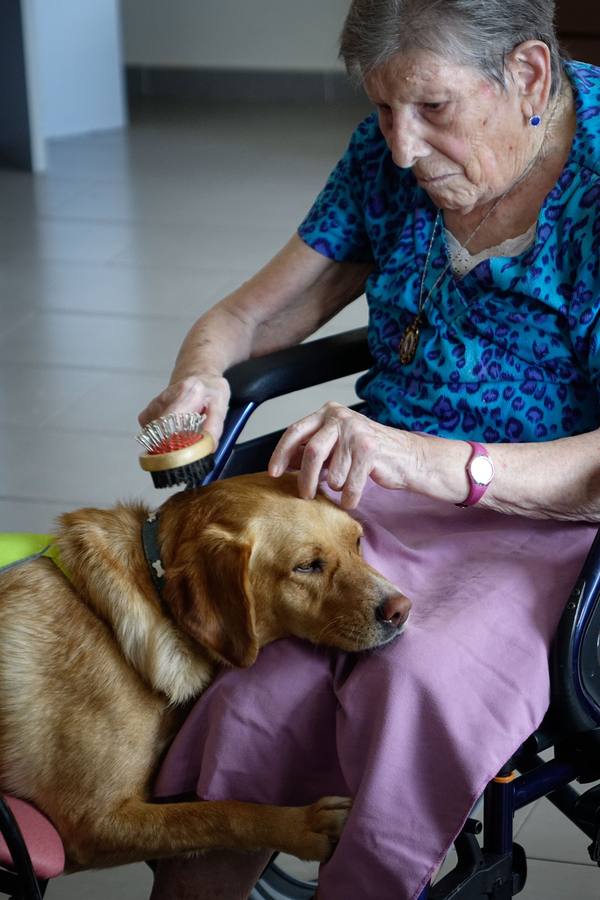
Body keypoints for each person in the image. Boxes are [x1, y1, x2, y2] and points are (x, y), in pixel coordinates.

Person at [138, 1, 600, 897]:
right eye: (382, 108)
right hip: (371, 489)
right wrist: (202, 376)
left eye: (431, 109)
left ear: (531, 76)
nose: (400, 147)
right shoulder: (390, 157)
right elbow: (249, 316)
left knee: (412, 681)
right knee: (248, 681)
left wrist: (432, 460)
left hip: (549, 520)